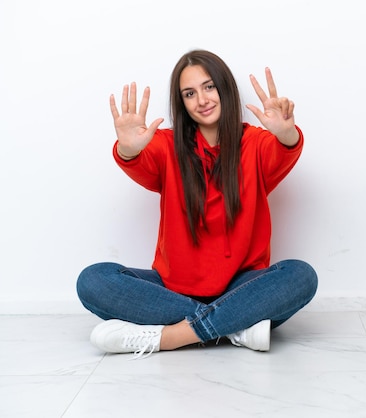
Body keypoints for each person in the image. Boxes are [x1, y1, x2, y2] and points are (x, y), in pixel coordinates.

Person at [76, 49, 317, 358]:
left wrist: (286, 135)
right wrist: (128, 149)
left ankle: (172, 336)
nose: (201, 99)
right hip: (171, 289)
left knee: (301, 276)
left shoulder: (255, 143)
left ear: (224, 88)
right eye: (190, 93)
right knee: (93, 280)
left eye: (209, 87)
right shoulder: (165, 145)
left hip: (242, 288)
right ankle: (236, 326)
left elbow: (284, 150)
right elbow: (140, 162)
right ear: (182, 103)